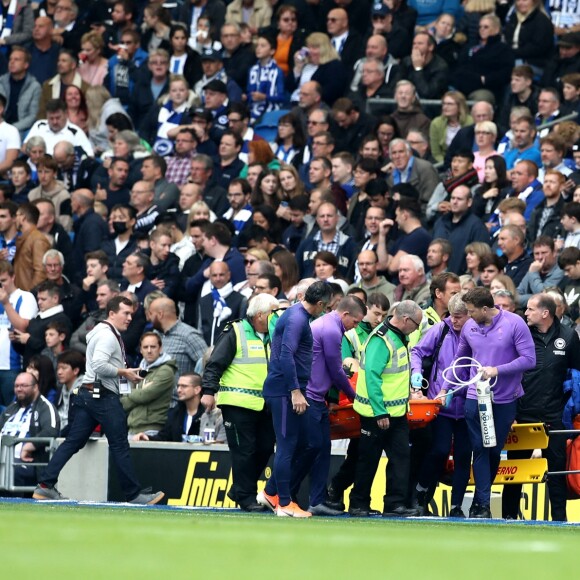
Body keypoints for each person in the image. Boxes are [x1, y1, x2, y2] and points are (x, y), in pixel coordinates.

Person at [33, 295, 165, 504]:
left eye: (131, 313)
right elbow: (100, 365)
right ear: (112, 313)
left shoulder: (100, 331)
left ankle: (44, 485)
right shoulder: (108, 336)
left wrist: (123, 372)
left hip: (88, 393)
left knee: (73, 442)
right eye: (125, 313)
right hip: (102, 395)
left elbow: (98, 364)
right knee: (120, 444)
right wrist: (125, 373)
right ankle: (133, 494)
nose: (130, 318)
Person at [441, 287, 535, 518]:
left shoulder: (514, 324)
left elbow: (529, 360)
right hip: (475, 396)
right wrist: (445, 388)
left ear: (485, 309)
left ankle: (481, 500)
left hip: (505, 399)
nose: (468, 316)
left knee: (493, 450)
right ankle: (481, 504)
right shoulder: (470, 327)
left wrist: (497, 370)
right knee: (480, 448)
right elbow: (459, 361)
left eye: (471, 311)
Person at [502, 294, 580, 521]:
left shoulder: (569, 337)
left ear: (545, 313)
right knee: (514, 473)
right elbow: (510, 375)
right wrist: (511, 412)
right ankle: (507, 518)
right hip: (523, 415)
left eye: (530, 309)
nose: (525, 313)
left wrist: (573, 411)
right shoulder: (520, 335)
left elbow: (577, 376)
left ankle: (559, 521)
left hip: (554, 417)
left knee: (555, 473)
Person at [257, 280, 332, 517]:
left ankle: (271, 492)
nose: (326, 311)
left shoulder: (297, 315)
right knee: (287, 445)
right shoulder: (298, 318)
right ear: (319, 303)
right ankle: (284, 504)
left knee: (305, 442)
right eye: (326, 306)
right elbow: (287, 354)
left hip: (286, 387)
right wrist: (295, 391)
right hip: (284, 390)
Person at [202, 293, 279, 512]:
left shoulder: (275, 334)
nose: (278, 318)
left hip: (266, 404)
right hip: (237, 403)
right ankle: (245, 497)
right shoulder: (235, 331)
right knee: (244, 450)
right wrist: (209, 391)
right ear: (261, 315)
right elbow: (215, 363)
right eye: (274, 313)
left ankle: (239, 489)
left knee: (264, 448)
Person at [348, 300, 424, 518]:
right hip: (376, 413)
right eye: (416, 324)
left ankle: (394, 504)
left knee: (401, 457)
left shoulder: (398, 337)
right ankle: (358, 503)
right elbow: (371, 376)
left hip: (397, 412)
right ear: (406, 320)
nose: (417, 329)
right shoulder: (382, 340)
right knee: (368, 460)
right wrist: (380, 411)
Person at [289, 296, 364, 516]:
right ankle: (280, 492)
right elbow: (335, 371)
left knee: (322, 449)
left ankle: (316, 500)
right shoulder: (331, 330)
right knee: (312, 447)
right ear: (345, 315)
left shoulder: (328, 325)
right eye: (356, 322)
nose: (355, 327)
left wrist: (331, 399)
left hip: (317, 397)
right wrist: (354, 396)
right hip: (310, 396)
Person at [410, 293, 472, 517]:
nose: (454, 321)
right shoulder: (442, 329)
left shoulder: (477, 334)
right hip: (440, 405)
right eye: (452, 316)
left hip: (466, 406)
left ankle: (456, 507)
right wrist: (416, 374)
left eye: (459, 317)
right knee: (439, 451)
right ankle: (421, 491)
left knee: (464, 455)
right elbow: (417, 351)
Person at [0, 371, 59, 486]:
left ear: (35, 387)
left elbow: (51, 431)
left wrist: (29, 446)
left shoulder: (45, 407)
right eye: (16, 386)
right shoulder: (11, 409)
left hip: (26, 462)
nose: (19, 389)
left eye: (23, 385)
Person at [121, 332, 177, 438]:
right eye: (145, 347)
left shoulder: (166, 370)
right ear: (141, 350)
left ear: (160, 349)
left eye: (153, 347)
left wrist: (128, 392)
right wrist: (140, 392)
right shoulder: (139, 370)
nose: (149, 350)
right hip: (132, 429)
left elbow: (144, 396)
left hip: (152, 431)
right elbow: (124, 404)